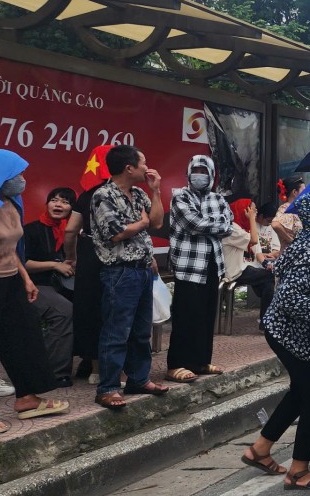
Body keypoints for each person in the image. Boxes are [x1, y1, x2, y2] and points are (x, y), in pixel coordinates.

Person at [242, 193, 310, 488]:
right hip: (289, 333)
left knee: (303, 391)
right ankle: (298, 471)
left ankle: (260, 449)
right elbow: (291, 300)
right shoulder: (308, 250)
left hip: (292, 332)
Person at [89, 145, 168, 409]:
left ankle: (139, 379)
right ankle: (108, 387)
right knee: (116, 330)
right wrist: (141, 224)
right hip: (119, 271)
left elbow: (157, 222)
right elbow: (116, 233)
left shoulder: (139, 193)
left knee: (141, 330)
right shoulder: (103, 195)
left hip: (143, 269)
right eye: (143, 163)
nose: (147, 167)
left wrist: (156, 191)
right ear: (129, 168)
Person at [0, 151, 70, 431]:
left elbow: (12, 248)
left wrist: (25, 278)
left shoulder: (10, 203)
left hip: (10, 278)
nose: (22, 180)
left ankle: (27, 398)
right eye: (17, 175)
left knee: (23, 334)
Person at [167, 155, 233, 383]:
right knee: (186, 315)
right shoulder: (180, 196)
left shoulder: (218, 198)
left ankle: (201, 361)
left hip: (213, 264)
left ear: (212, 174)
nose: (199, 174)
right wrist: (216, 224)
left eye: (204, 170)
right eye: (195, 170)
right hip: (188, 265)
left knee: (206, 315)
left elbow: (229, 225)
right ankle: (176, 364)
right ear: (188, 172)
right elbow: (192, 224)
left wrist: (212, 225)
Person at [64, 146, 113, 385]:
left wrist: (70, 257)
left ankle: (94, 366)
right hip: (117, 256)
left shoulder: (86, 196)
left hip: (89, 253)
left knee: (90, 307)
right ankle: (115, 366)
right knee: (114, 309)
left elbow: (71, 230)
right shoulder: (123, 194)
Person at [22, 186, 76, 385]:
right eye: (54, 200)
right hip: (35, 285)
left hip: (66, 286)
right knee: (64, 311)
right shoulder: (31, 229)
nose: (58, 204)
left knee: (92, 305)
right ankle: (54, 373)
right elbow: (23, 262)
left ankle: (90, 360)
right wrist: (55, 265)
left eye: (65, 201)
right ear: (46, 204)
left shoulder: (73, 232)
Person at [224, 198, 275, 319]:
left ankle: (266, 323)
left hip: (246, 268)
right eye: (253, 209)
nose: (255, 211)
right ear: (244, 210)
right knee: (271, 275)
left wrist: (265, 264)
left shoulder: (244, 228)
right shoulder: (232, 229)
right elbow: (254, 240)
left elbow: (256, 249)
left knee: (268, 283)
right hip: (234, 271)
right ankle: (267, 321)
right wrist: (252, 218)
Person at [272, 177, 305, 245]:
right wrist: (291, 241)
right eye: (303, 191)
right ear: (294, 192)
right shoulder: (287, 208)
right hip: (289, 253)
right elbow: (275, 225)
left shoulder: (295, 208)